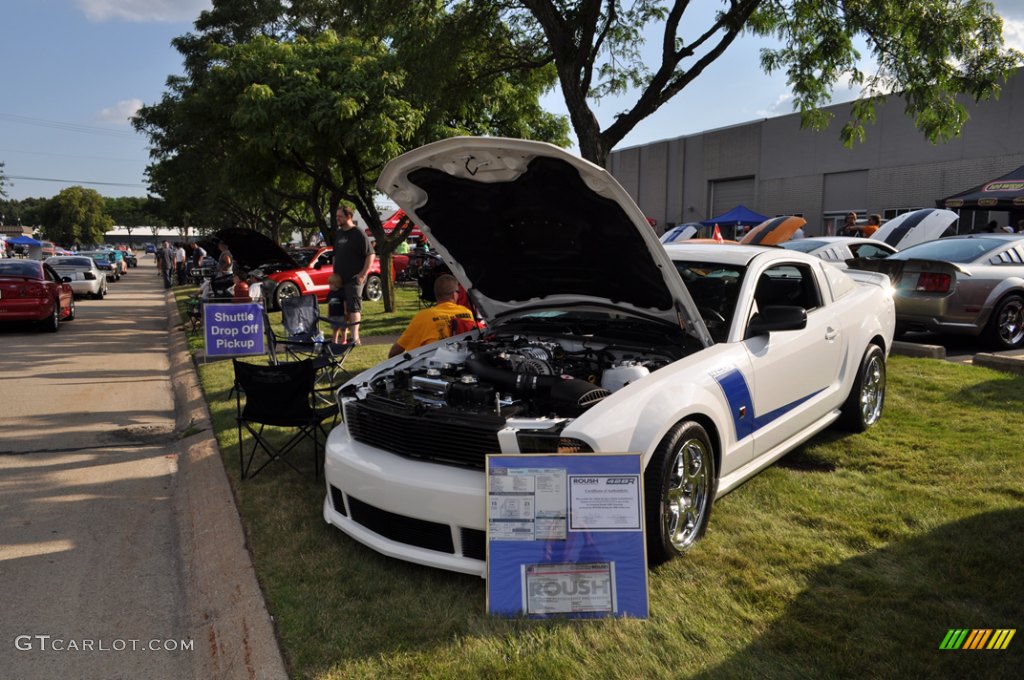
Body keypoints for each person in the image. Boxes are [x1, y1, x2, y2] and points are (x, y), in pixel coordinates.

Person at [389, 274, 475, 358]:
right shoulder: (468, 313)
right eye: (458, 292)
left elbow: (395, 352)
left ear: (436, 294)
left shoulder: (423, 317)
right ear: (454, 295)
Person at [332, 206, 374, 345]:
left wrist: (363, 274)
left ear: (348, 216)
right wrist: (334, 274)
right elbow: (335, 255)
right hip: (339, 279)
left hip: (353, 278)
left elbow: (370, 254)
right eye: (337, 216)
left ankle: (354, 338)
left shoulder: (358, 233)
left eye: (340, 216)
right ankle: (340, 339)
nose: (337, 218)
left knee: (353, 307)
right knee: (339, 309)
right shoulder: (339, 234)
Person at [326, 273, 347, 343]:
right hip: (333, 314)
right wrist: (328, 313)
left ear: (336, 284)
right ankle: (334, 340)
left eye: (330, 284)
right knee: (334, 328)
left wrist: (345, 311)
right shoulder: (330, 294)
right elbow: (329, 304)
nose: (329, 286)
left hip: (340, 314)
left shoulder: (341, 292)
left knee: (343, 328)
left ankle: (344, 339)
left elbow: (344, 302)